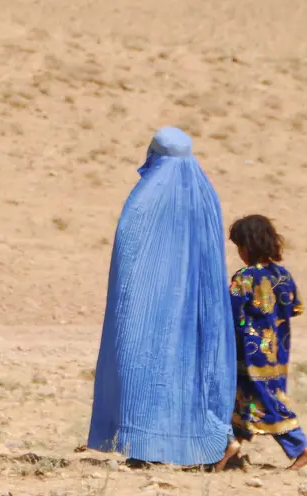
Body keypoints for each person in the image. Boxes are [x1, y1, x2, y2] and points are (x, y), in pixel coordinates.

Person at [86, 126, 238, 468]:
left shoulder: (145, 197)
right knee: (194, 366)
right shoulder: (205, 193)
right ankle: (196, 444)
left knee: (142, 363)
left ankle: (146, 445)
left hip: (147, 306)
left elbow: (129, 253)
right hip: (197, 307)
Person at [226, 214, 307, 470]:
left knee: (263, 400)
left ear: (248, 246)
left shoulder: (244, 277)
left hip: (249, 353)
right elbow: (295, 307)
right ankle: (229, 448)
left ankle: (302, 448)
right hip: (277, 352)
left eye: (240, 247)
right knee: (246, 398)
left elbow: (230, 312)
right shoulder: (283, 275)